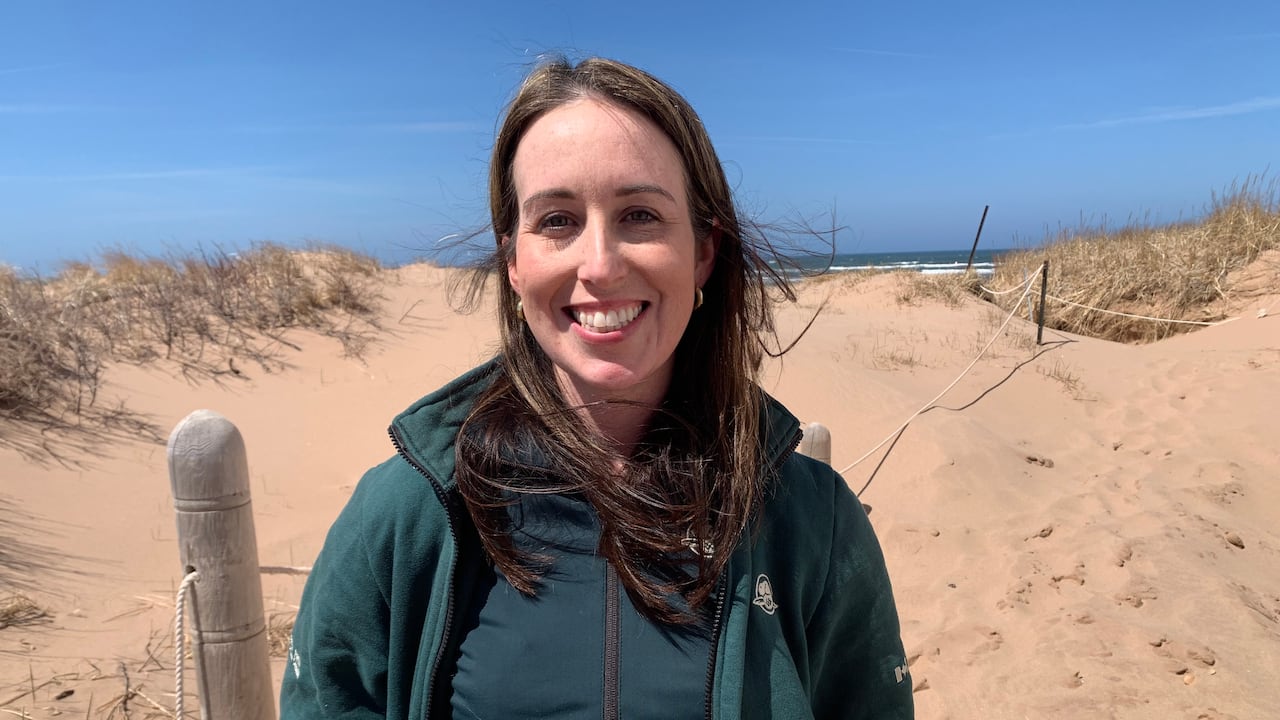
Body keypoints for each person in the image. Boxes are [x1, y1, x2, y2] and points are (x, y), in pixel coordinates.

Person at [281, 56, 913, 719]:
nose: (601, 265)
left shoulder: (810, 522)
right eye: (557, 221)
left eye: (640, 214)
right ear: (514, 263)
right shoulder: (412, 511)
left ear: (703, 251)